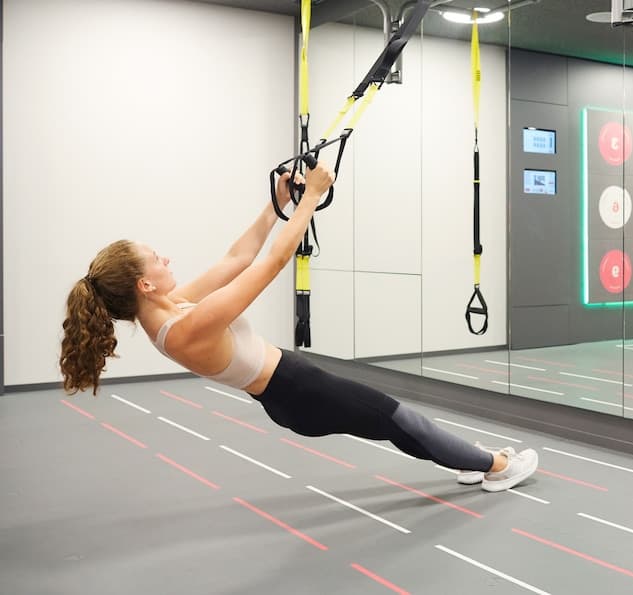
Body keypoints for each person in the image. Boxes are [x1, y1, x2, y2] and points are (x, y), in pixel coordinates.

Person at [59, 162, 538, 492]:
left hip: (290, 389)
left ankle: (464, 458)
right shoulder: (186, 329)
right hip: (300, 391)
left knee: (390, 424)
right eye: (156, 258)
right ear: (144, 284)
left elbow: (237, 257)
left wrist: (278, 203)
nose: (166, 258)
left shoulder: (172, 309)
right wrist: (312, 197)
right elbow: (271, 263)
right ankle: (496, 466)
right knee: (399, 419)